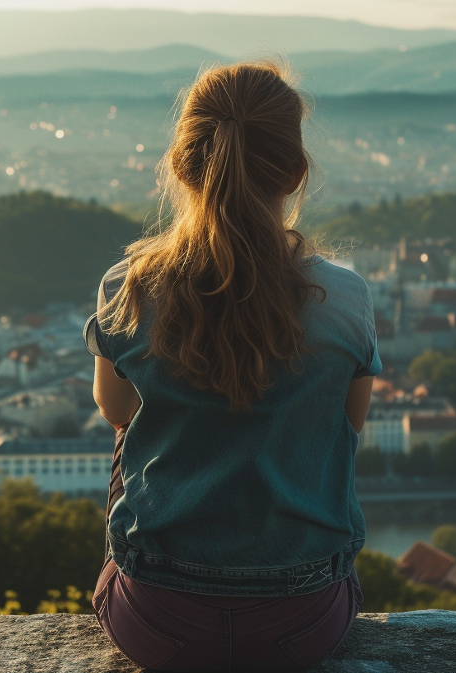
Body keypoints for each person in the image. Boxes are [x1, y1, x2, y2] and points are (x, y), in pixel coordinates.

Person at [84, 60, 380, 672]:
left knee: (128, 433)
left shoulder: (129, 288)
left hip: (157, 624)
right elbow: (348, 424)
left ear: (180, 166)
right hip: (302, 624)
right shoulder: (346, 299)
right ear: (296, 173)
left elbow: (115, 411)